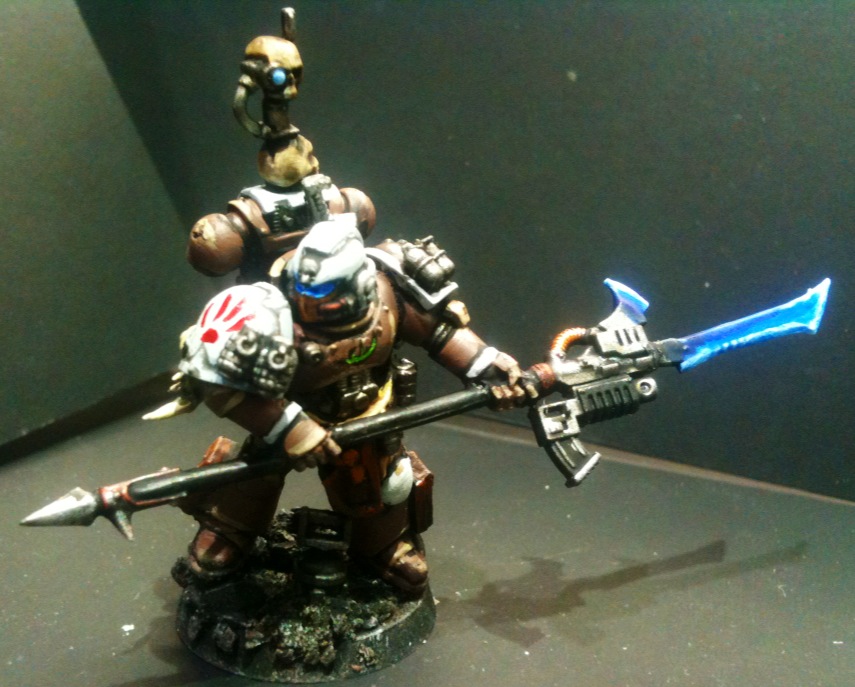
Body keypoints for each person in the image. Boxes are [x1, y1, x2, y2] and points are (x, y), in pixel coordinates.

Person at [167, 214, 532, 595]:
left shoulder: (390, 292)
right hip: (288, 417)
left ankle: (382, 545)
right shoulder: (263, 312)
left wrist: (484, 364)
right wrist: (289, 428)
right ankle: (229, 530)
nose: (317, 305)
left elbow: (439, 332)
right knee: (257, 474)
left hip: (365, 416)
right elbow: (219, 387)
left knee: (374, 487)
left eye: (331, 294)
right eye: (308, 293)